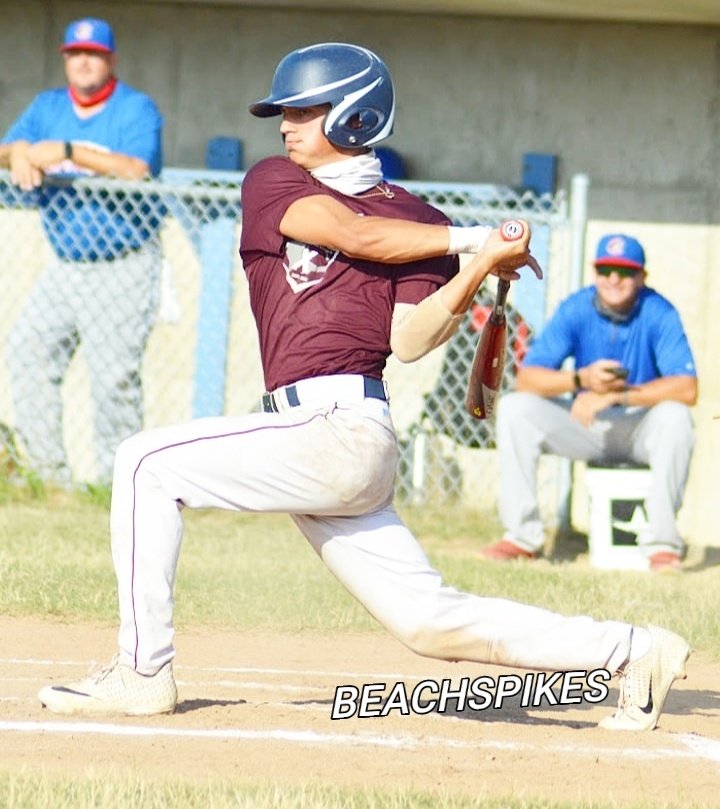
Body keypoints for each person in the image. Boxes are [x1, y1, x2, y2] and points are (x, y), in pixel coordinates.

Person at [37, 43, 690, 731]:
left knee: (143, 461)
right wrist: (472, 239)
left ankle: (141, 671)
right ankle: (634, 650)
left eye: (302, 109)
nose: (283, 124)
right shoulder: (275, 182)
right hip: (312, 438)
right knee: (429, 622)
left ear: (353, 115)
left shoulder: (420, 218)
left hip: (344, 427)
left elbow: (409, 339)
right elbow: (351, 232)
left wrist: (476, 263)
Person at [0, 17, 164, 485]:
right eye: (75, 53)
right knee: (26, 354)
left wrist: (67, 150)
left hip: (124, 263)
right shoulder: (47, 106)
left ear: (109, 60)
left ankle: (118, 488)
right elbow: (7, 149)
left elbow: (135, 170)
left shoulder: (136, 108)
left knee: (113, 381)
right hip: (64, 266)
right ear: (65, 59)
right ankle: (52, 479)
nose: (83, 61)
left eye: (93, 53)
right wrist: (22, 153)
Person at [484, 233, 697, 572]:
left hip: (639, 425)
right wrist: (581, 380)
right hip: (585, 424)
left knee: (676, 417)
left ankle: (662, 545)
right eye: (606, 269)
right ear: (595, 272)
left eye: (625, 271)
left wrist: (617, 394)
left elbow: (687, 389)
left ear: (642, 276)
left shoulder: (659, 311)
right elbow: (528, 379)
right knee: (515, 408)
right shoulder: (577, 307)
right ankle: (522, 536)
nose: (614, 279)